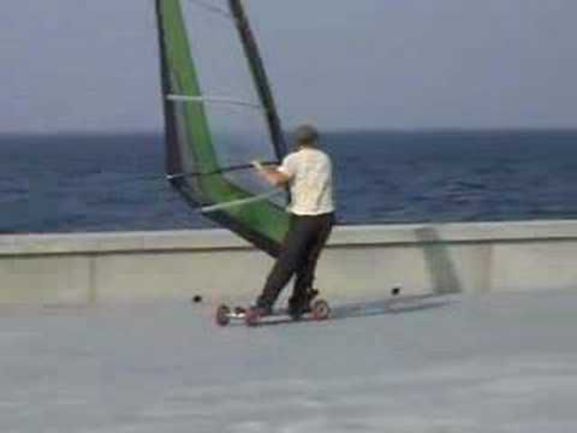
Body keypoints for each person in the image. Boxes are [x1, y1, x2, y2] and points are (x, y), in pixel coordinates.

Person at [252, 124, 335, 318]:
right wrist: (276, 170)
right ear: (315, 140)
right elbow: (298, 173)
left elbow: (277, 180)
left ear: (296, 141)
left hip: (304, 218)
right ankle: (299, 303)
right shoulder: (324, 158)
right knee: (308, 263)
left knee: (286, 263)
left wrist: (262, 170)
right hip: (325, 218)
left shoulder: (293, 159)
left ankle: (265, 304)